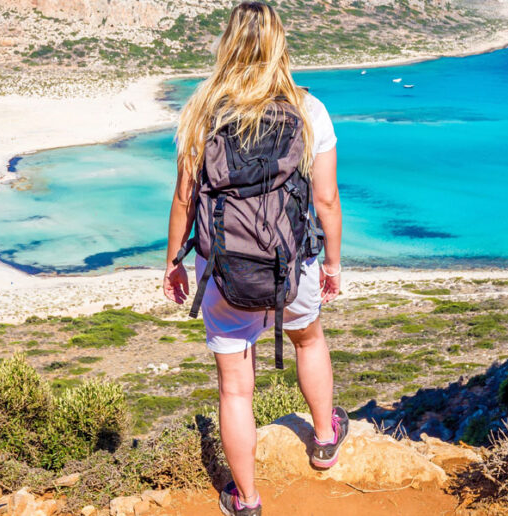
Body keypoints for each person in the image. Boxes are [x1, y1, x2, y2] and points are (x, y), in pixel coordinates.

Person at [162, 3, 345, 514]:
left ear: (227, 44)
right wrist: (331, 264)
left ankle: (248, 500)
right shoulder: (308, 108)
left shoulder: (200, 110)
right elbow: (326, 200)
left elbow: (183, 199)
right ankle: (325, 442)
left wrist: (174, 261)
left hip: (222, 270)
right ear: (280, 44)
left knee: (235, 389)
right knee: (308, 339)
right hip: (292, 266)